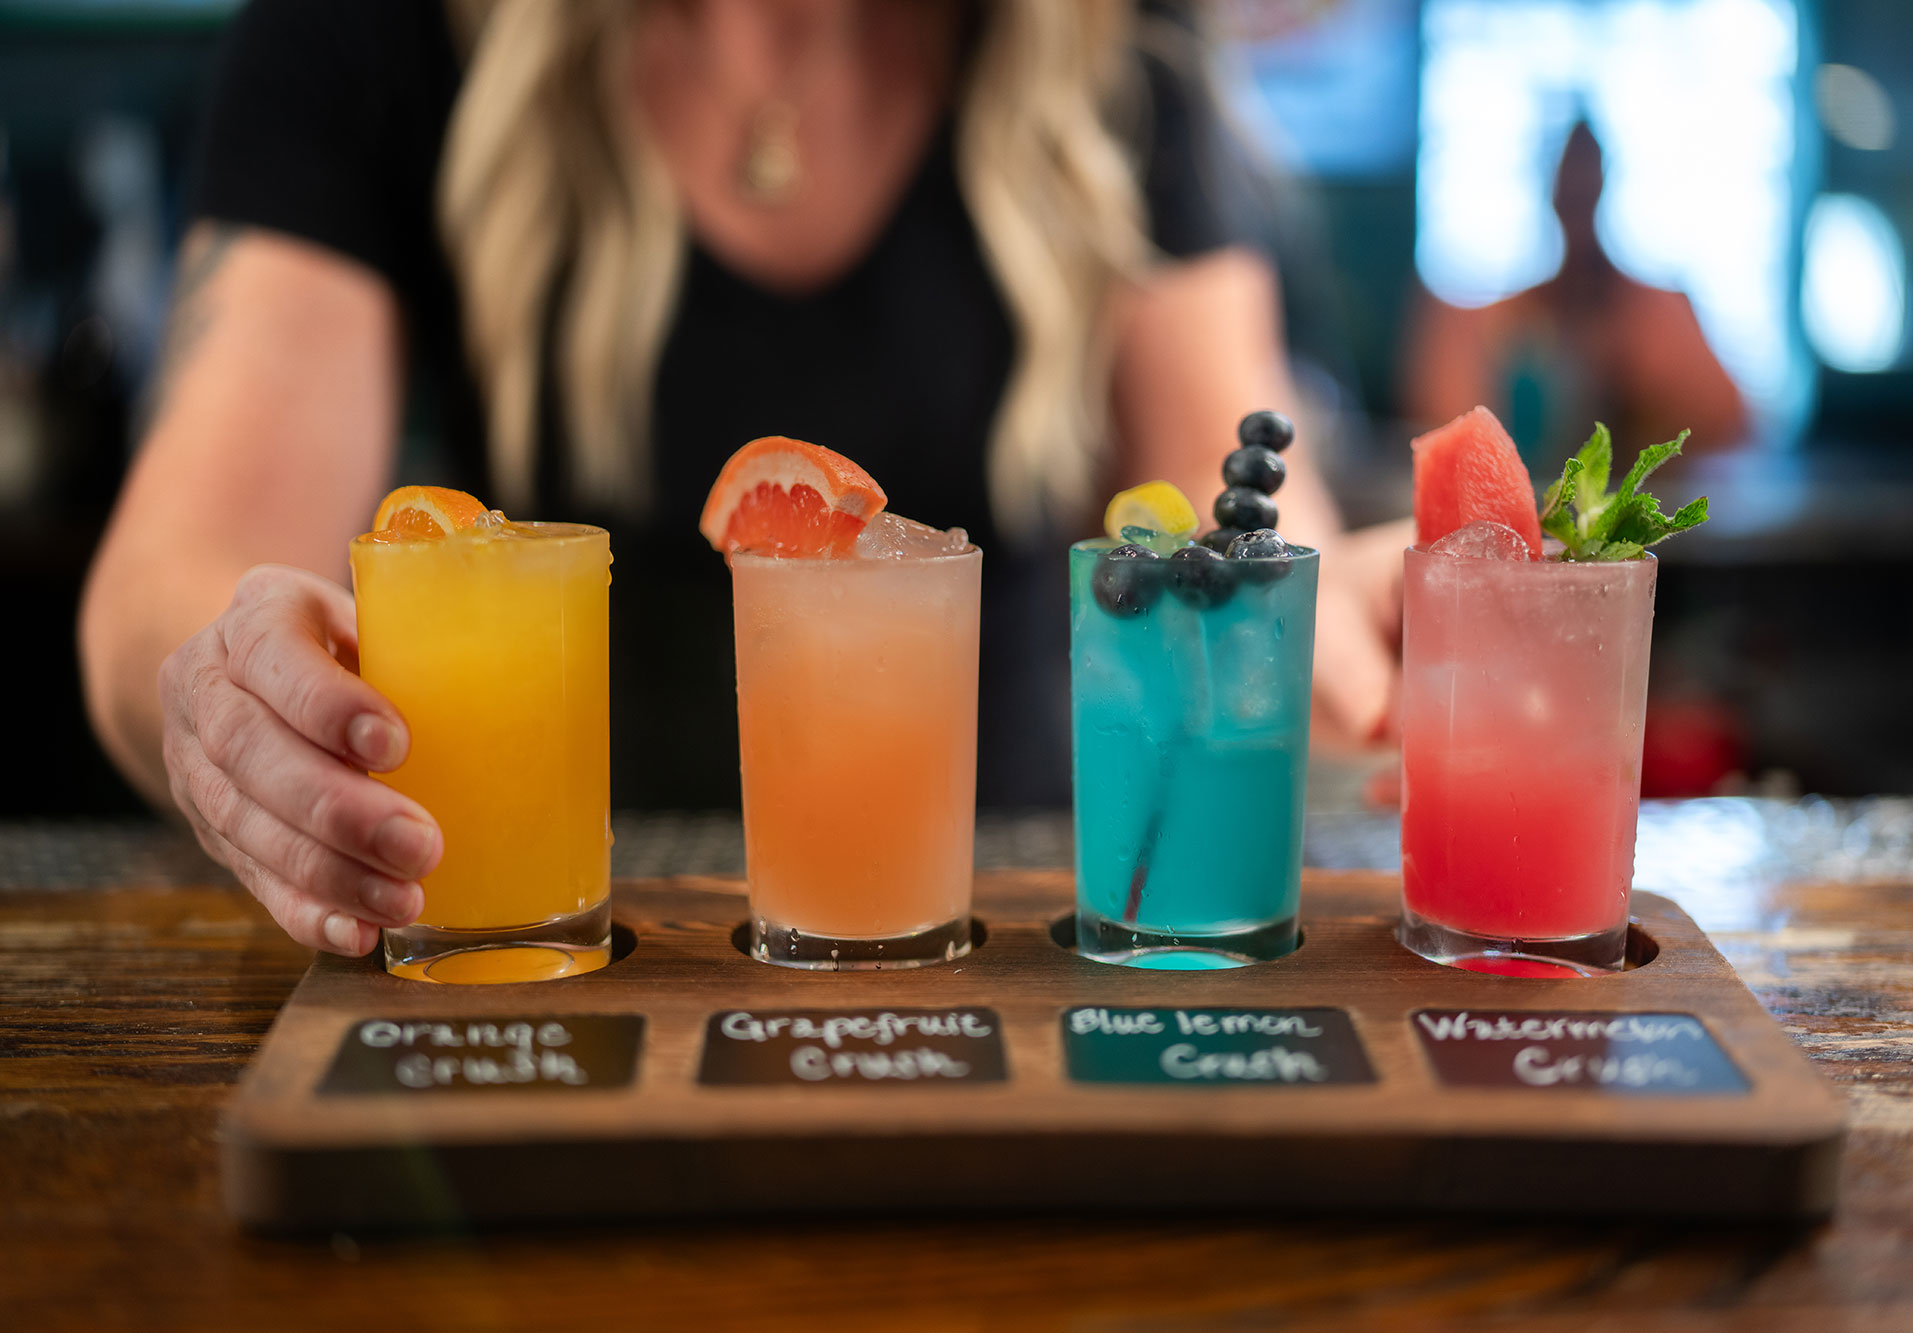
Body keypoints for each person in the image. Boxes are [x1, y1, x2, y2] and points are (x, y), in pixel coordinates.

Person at [78, 0, 1408, 959]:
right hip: (537, 925)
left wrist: (1317, 622)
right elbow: (177, 573)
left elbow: (1211, 501)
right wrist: (230, 695)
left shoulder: (1109, 38)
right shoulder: (374, 31)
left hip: (991, 915)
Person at [1401, 120, 1747, 472]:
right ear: (1553, 194)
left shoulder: (1648, 312)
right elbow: (1443, 414)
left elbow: (1729, 415)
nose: (1577, 200)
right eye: (1570, 190)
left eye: (1585, 188)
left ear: (1602, 189)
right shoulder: (1509, 316)